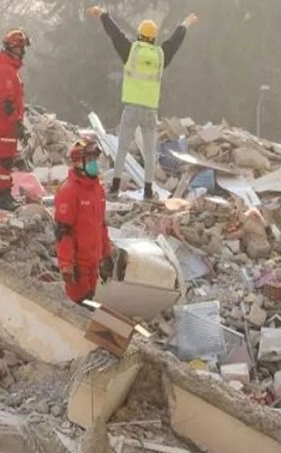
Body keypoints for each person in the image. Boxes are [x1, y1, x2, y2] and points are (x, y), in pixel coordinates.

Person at [88, 5, 197, 200]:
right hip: (150, 112)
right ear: (154, 38)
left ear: (139, 35)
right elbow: (175, 41)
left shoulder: (131, 51)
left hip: (131, 108)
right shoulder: (161, 55)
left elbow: (116, 35)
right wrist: (186, 23)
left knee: (121, 149)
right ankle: (148, 190)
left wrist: (104, 15)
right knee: (149, 152)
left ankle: (114, 188)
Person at [54, 137, 113, 304]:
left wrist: (106, 254)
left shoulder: (97, 190)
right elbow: (62, 232)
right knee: (80, 309)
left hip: (94, 263)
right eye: (90, 160)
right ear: (79, 162)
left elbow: (101, 226)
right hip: (78, 266)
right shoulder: (69, 191)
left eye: (95, 159)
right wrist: (66, 265)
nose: (94, 164)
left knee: (90, 305)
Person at [0, 28, 30, 211]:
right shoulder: (6, 70)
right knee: (5, 162)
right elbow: (7, 102)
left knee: (5, 161)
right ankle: (3, 197)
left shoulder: (6, 67)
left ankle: (4, 195)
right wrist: (17, 122)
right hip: (5, 124)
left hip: (4, 122)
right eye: (21, 49)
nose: (23, 53)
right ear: (12, 48)